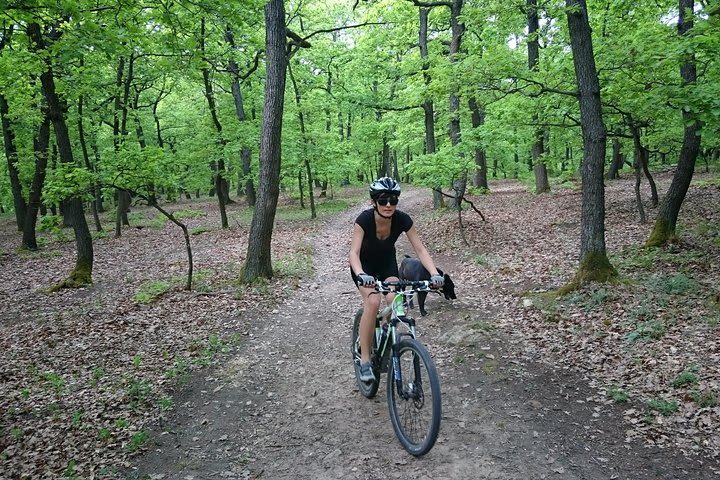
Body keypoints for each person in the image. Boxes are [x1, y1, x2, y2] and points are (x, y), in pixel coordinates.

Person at [348, 177, 444, 383]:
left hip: (387, 263)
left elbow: (420, 249)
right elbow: (354, 253)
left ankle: (383, 332)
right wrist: (361, 275)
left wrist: (435, 273)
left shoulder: (403, 220)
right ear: (374, 202)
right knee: (373, 302)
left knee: (397, 302)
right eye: (383, 200)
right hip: (364, 266)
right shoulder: (363, 220)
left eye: (393, 200)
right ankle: (365, 359)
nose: (389, 205)